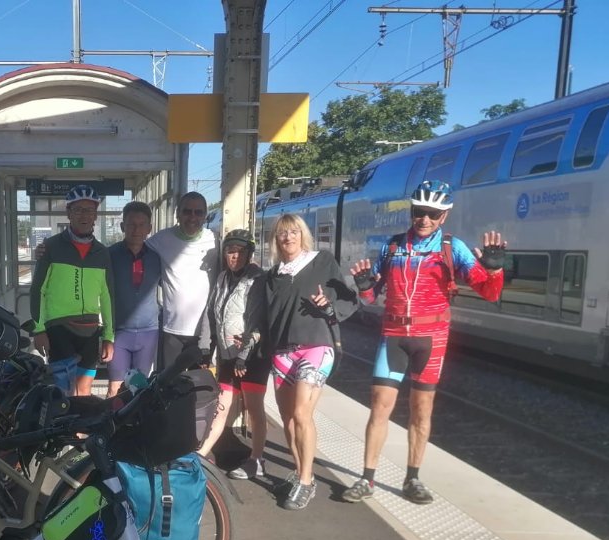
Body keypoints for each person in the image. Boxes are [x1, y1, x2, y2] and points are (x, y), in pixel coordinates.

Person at [342, 180, 506, 506]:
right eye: (419, 212)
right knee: (379, 409)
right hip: (393, 337)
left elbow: (490, 293)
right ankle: (367, 477)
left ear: (444, 215)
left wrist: (495, 267)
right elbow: (372, 295)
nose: (424, 219)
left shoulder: (452, 248)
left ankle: (412, 478)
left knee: (421, 412)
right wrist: (362, 286)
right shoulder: (392, 247)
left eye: (432, 214)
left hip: (431, 339)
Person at [239, 215, 359, 508]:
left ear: (302, 235)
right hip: (283, 351)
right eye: (282, 234)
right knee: (289, 420)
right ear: (275, 240)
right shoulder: (271, 277)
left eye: (294, 232)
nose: (288, 238)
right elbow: (266, 321)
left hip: (316, 345)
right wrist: (249, 343)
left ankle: (306, 482)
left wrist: (329, 306)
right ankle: (300, 470)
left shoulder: (322, 262)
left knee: (302, 413)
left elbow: (348, 300)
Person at [29, 184, 114, 396]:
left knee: (84, 390)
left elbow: (107, 296)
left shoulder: (102, 252)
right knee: (64, 390)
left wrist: (109, 336)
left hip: (90, 329)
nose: (85, 215)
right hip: (59, 329)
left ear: (96, 215)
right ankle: (64, 430)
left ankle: (78, 430)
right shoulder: (51, 247)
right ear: (69, 213)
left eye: (90, 210)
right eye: (78, 209)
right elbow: (37, 289)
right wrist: (38, 330)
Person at [196, 229, 268, 476]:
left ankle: (257, 460)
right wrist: (207, 349)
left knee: (254, 408)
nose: (234, 256)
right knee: (221, 407)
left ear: (249, 254)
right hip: (227, 356)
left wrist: (244, 354)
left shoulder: (258, 279)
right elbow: (212, 315)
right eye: (230, 251)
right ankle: (200, 455)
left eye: (239, 252)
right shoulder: (222, 278)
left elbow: (257, 320)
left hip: (251, 358)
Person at [146, 192, 219, 369]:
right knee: (168, 386)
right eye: (187, 211)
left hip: (204, 333)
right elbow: (135, 252)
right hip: (172, 330)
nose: (192, 217)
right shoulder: (160, 239)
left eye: (198, 212)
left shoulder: (215, 241)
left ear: (205, 215)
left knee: (198, 390)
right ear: (178, 213)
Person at [106, 201, 162, 396]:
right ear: (122, 226)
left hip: (149, 331)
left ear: (149, 228)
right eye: (131, 224)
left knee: (140, 388)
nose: (136, 229)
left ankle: (135, 427)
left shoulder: (157, 257)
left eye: (142, 224)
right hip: (119, 332)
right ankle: (111, 426)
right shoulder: (109, 255)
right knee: (115, 387)